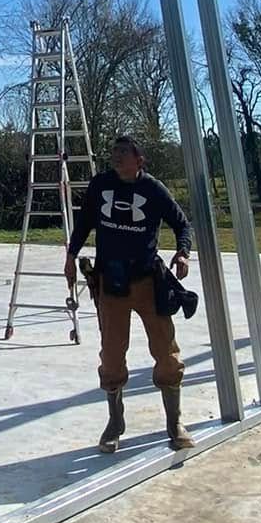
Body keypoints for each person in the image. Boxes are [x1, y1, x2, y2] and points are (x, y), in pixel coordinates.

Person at [64, 136, 195, 453]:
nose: (117, 157)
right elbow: (83, 223)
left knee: (166, 352)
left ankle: (174, 423)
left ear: (140, 160)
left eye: (124, 152)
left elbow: (182, 224)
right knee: (111, 356)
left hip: (149, 282)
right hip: (111, 283)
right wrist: (71, 256)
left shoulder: (152, 189)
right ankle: (115, 421)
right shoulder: (100, 185)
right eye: (114, 152)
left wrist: (183, 253)